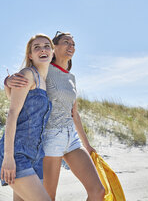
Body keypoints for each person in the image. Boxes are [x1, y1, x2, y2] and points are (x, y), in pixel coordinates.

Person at [4, 31, 105, 201]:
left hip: (71, 138)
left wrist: (87, 145)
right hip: (49, 138)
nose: (71, 46)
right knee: (48, 197)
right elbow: (20, 91)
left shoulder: (71, 77)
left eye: (73, 44)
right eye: (66, 42)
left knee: (98, 191)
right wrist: (7, 81)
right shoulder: (44, 69)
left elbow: (75, 114)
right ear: (54, 48)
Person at [0, 34, 54, 201]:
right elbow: (12, 114)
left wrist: (6, 84)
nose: (42, 49)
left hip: (36, 156)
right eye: (36, 47)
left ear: (52, 52)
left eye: (46, 46)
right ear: (30, 55)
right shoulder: (28, 74)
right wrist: (8, 157)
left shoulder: (45, 81)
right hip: (17, 153)